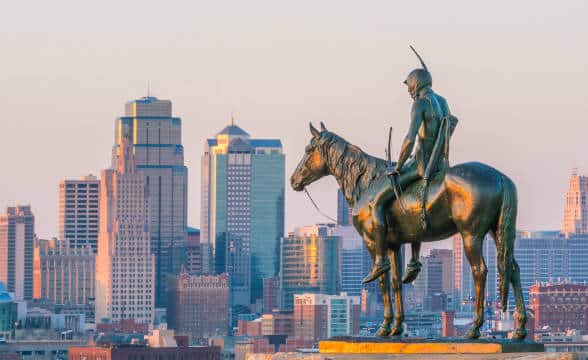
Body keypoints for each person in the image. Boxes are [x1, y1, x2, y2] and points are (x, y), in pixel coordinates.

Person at [362, 47, 458, 284]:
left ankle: (381, 260)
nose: (407, 91)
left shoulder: (420, 104)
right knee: (409, 201)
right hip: (441, 165)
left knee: (377, 202)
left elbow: (410, 138)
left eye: (408, 86)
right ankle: (414, 260)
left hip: (421, 165)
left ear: (415, 84)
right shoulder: (443, 102)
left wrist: (398, 165)